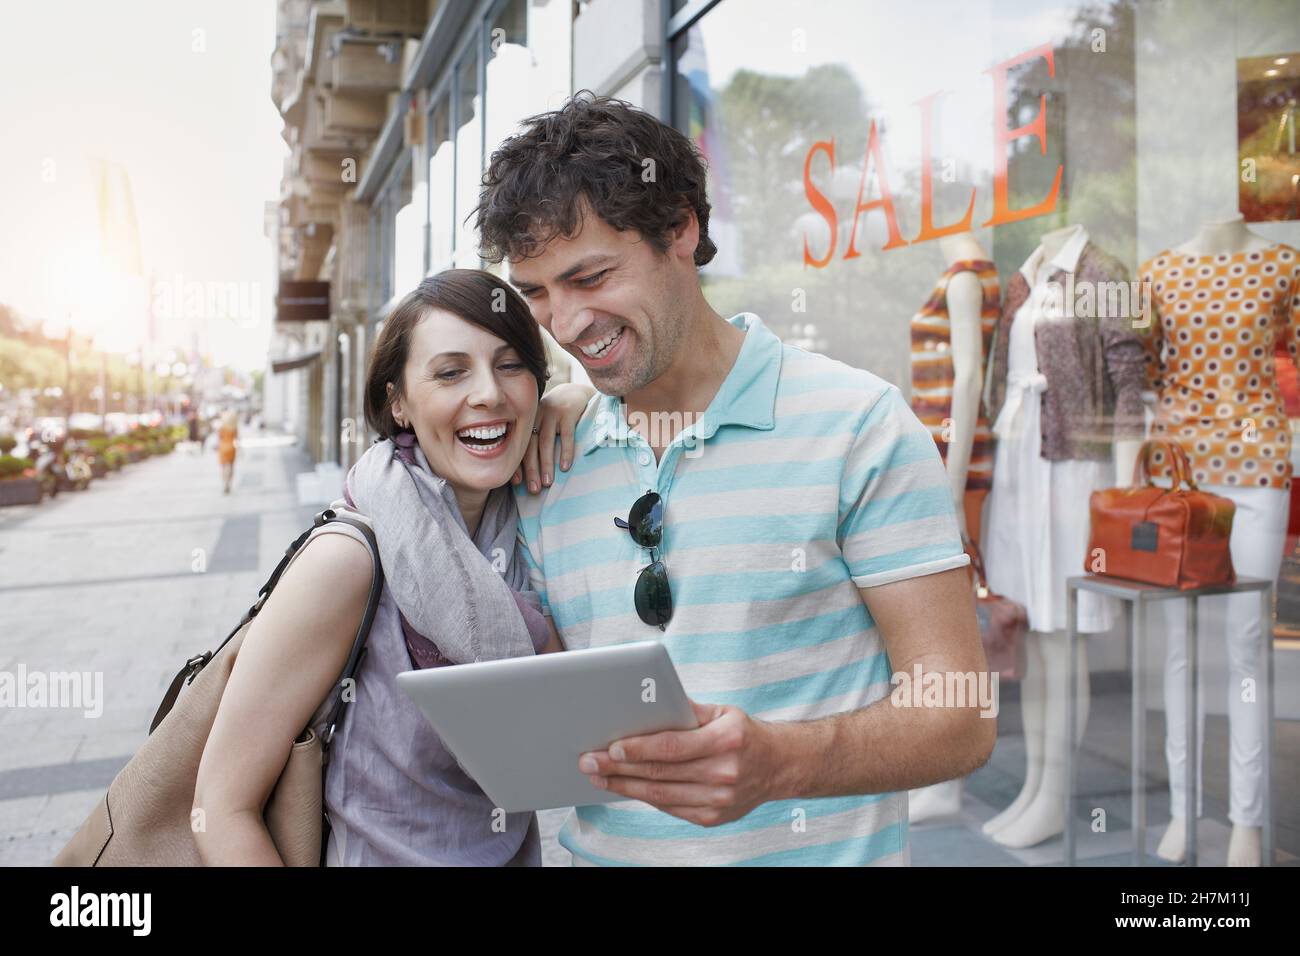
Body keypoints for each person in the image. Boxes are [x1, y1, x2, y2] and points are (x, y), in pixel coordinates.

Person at [473, 92, 996, 865]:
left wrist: (784, 762)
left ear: (681, 227)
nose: (567, 323)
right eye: (538, 293)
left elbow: (961, 717)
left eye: (591, 277)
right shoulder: (549, 452)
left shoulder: (859, 426)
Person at [192, 269, 593, 865]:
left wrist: (581, 396)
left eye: (511, 365)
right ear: (397, 401)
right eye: (451, 372)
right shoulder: (348, 560)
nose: (488, 393)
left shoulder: (534, 520)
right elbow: (220, 809)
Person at [216, 409, 238, 493]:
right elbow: (237, 439)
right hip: (231, 448)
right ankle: (229, 483)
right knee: (231, 467)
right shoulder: (234, 427)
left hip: (223, 448)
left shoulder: (222, 427)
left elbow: (219, 438)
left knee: (223, 467)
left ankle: (225, 483)